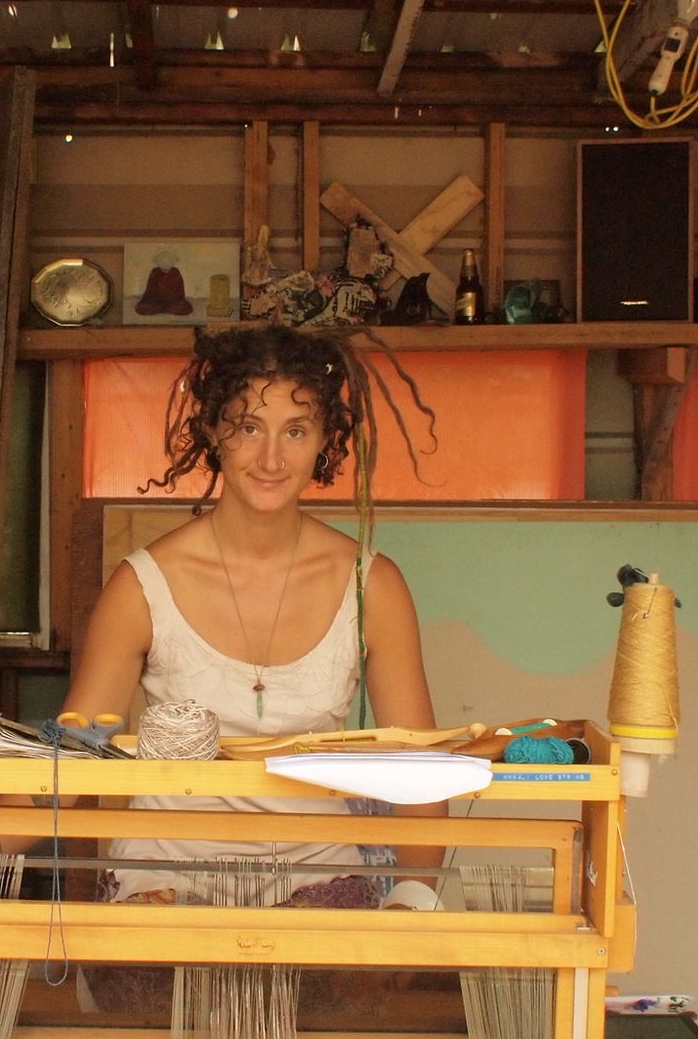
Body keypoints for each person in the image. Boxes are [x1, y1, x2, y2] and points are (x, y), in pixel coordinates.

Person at [62, 322, 445, 911]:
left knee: (338, 989)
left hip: (319, 877)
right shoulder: (141, 588)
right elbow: (69, 763)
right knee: (146, 982)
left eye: (295, 430)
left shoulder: (374, 587)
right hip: (162, 878)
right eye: (249, 427)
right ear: (214, 432)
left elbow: (420, 772)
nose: (271, 458)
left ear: (325, 440)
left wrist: (415, 895)